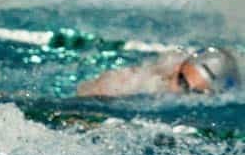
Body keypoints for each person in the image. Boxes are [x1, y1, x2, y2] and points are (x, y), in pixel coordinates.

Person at [77, 47, 240, 97]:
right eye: (182, 82)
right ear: (177, 68)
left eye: (195, 93)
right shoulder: (134, 81)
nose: (179, 92)